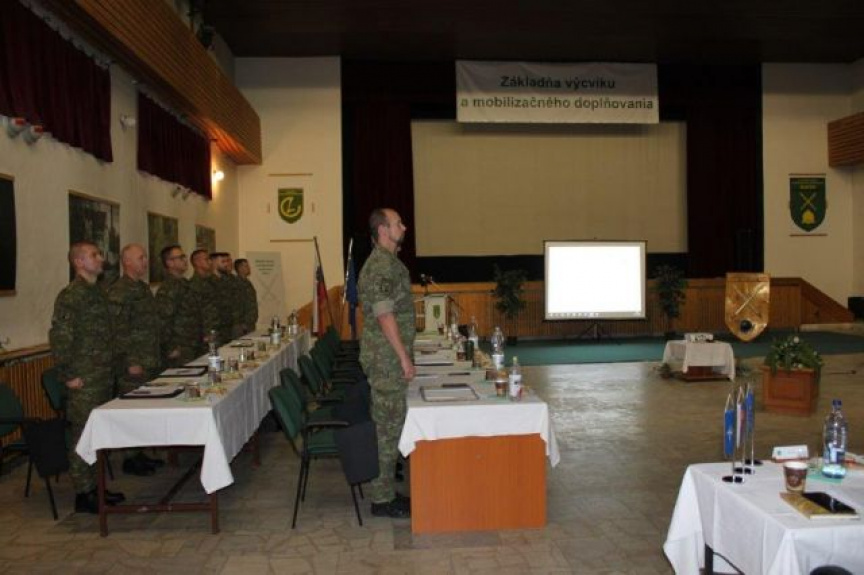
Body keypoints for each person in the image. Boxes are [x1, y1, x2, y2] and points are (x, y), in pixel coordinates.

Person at [49, 241, 125, 513]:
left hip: (103, 375)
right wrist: (68, 375)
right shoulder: (71, 295)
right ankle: (84, 493)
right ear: (79, 262)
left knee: (98, 434)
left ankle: (97, 487)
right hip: (84, 378)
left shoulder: (98, 292)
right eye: (94, 255)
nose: (101, 258)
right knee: (83, 435)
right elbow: (60, 338)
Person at [357, 208, 416, 519]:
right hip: (386, 360)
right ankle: (382, 499)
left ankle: (387, 490)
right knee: (387, 430)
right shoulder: (380, 265)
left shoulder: (389, 261)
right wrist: (403, 357)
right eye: (398, 223)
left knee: (391, 427)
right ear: (383, 230)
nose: (403, 227)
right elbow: (384, 315)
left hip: (388, 358)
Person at [107, 243, 165, 476]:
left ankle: (140, 453)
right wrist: (131, 360)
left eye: (145, 257)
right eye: (141, 258)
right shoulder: (119, 291)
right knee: (132, 409)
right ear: (127, 262)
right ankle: (130, 458)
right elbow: (118, 330)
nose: (145, 261)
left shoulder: (141, 288)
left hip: (149, 357)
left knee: (144, 408)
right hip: (134, 361)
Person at [154, 245, 198, 366]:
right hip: (179, 348)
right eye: (181, 257)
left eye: (184, 256)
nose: (185, 260)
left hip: (192, 344)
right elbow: (162, 320)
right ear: (170, 263)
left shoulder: (184, 283)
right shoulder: (168, 288)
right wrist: (170, 348)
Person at [189, 248, 220, 355]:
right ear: (197, 262)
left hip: (215, 332)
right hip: (203, 338)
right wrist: (204, 335)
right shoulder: (193, 285)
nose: (210, 262)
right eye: (206, 259)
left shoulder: (212, 282)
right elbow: (193, 315)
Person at [234, 258, 259, 335]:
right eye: (246, 266)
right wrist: (242, 323)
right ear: (240, 268)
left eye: (248, 266)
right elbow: (237, 305)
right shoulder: (236, 283)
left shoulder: (247, 282)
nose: (248, 268)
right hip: (242, 325)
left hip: (250, 322)